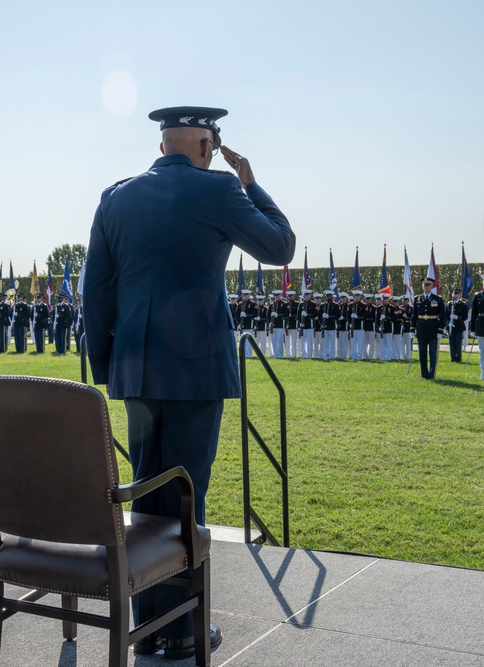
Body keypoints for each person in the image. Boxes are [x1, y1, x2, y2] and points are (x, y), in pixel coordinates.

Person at [83, 105, 295, 658]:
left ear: (161, 147)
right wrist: (251, 184)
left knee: (147, 496)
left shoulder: (116, 197)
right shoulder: (221, 190)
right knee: (185, 496)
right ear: (205, 146)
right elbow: (280, 248)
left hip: (135, 371)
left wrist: (108, 368)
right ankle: (179, 629)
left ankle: (147, 623)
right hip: (196, 369)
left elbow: (95, 295)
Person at [410, 278, 445, 379]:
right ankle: (424, 374)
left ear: (432, 286)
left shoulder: (437, 299)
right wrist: (412, 328)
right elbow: (414, 315)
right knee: (422, 353)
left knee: (433, 353)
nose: (426, 287)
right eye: (424, 285)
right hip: (421, 329)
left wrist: (440, 330)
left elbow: (442, 316)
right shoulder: (418, 299)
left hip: (433, 329)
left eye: (428, 285)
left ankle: (431, 373)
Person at [446, 288, 468, 362]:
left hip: (459, 327)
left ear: (459, 295)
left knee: (458, 343)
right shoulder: (449, 304)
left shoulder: (462, 304)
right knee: (451, 343)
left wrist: (457, 317)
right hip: (450, 327)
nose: (454, 295)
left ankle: (458, 358)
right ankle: (453, 358)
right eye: (453, 293)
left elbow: (465, 316)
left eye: (456, 293)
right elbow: (445, 315)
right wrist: (448, 322)